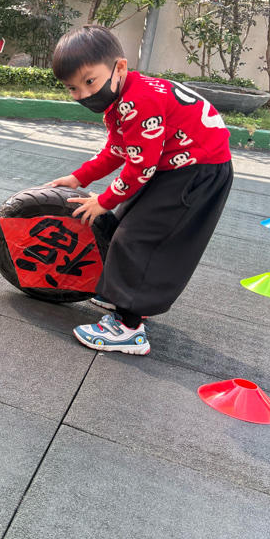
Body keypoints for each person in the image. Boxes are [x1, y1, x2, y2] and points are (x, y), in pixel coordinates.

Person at [47, 25, 233, 356]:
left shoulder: (140, 101)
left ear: (119, 67)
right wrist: (78, 178)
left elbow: (140, 167)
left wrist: (104, 200)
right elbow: (116, 151)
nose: (83, 94)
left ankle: (129, 328)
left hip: (197, 172)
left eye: (90, 82)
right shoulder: (122, 98)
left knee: (138, 239)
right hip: (174, 165)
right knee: (122, 222)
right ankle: (118, 293)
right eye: (73, 88)